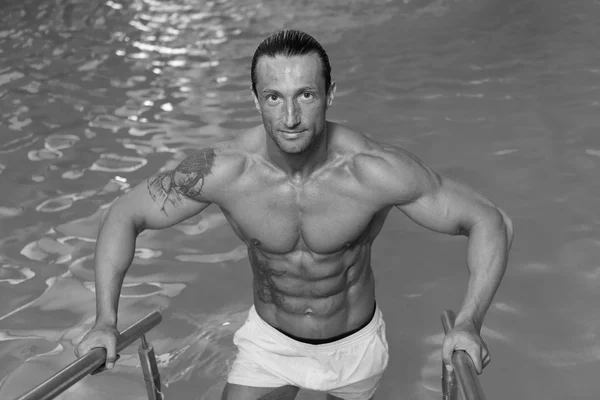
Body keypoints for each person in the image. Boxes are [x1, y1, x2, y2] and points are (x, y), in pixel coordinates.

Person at [75, 29, 514, 400]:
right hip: (270, 343)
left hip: (354, 346)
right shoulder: (224, 170)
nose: (289, 117)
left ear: (329, 95)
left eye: (305, 95)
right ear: (256, 99)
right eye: (273, 97)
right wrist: (105, 322)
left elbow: (488, 220)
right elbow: (124, 214)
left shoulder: (375, 171)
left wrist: (468, 324)